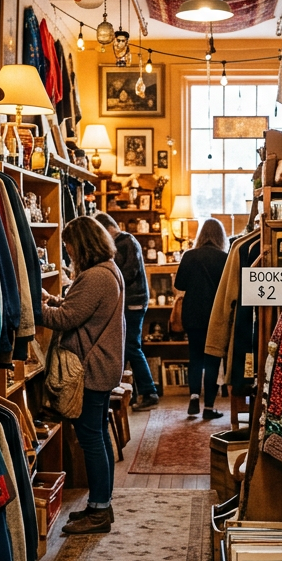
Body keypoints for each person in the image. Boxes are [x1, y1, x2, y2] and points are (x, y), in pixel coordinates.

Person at [40, 216, 125, 535]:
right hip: (102, 364)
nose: (67, 250)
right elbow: (80, 310)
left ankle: (99, 510)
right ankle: (99, 505)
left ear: (81, 244)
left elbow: (67, 319)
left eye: (69, 244)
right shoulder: (107, 270)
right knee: (98, 435)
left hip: (91, 367)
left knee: (91, 438)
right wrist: (53, 301)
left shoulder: (94, 276)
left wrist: (32, 308)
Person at [95, 212, 159, 410]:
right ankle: (131, 391)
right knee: (127, 346)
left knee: (131, 346)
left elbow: (128, 272)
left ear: (106, 229)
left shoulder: (125, 241)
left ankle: (148, 392)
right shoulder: (127, 241)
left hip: (133, 301)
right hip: (133, 300)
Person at [174, 217, 229, 419]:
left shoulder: (189, 255)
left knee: (195, 357)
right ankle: (209, 408)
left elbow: (180, 284)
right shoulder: (224, 257)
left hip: (192, 314)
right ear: (220, 236)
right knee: (212, 359)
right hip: (215, 316)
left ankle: (194, 398)